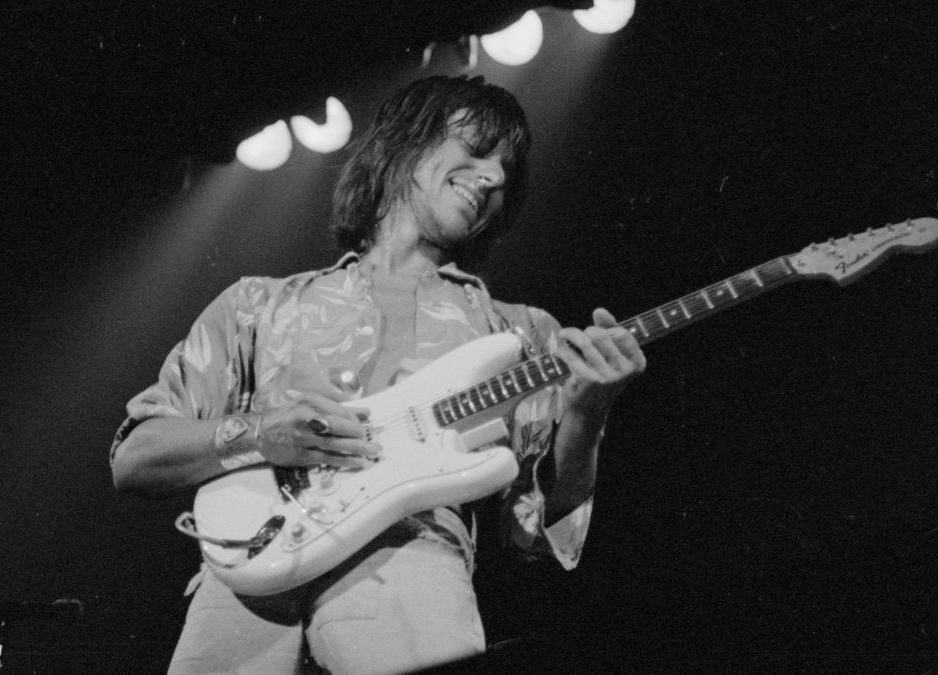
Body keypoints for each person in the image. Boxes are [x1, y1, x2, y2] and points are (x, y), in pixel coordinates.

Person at [109, 75, 646, 674]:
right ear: (404, 144)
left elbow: (534, 534)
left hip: (409, 560)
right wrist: (258, 434)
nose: (494, 177)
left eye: (505, 170)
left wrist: (588, 415)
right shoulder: (257, 304)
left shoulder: (519, 334)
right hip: (248, 570)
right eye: (475, 149)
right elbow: (136, 455)